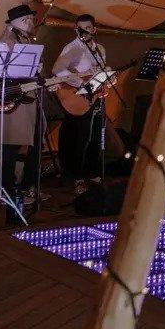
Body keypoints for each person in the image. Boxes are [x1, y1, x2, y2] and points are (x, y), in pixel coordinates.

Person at [0, 4, 42, 221]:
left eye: (30, 19)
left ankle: (23, 190)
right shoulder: (6, 41)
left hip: (24, 101)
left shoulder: (26, 41)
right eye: (25, 19)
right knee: (9, 150)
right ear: (13, 23)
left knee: (28, 144)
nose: (29, 22)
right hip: (10, 104)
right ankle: (8, 196)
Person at [53, 13, 109, 195]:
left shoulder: (99, 48)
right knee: (80, 139)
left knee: (95, 137)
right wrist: (80, 83)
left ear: (94, 29)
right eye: (80, 28)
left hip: (96, 96)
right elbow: (57, 70)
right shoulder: (73, 48)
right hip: (80, 97)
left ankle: (93, 174)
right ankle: (76, 177)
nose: (83, 32)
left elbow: (99, 72)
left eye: (87, 28)